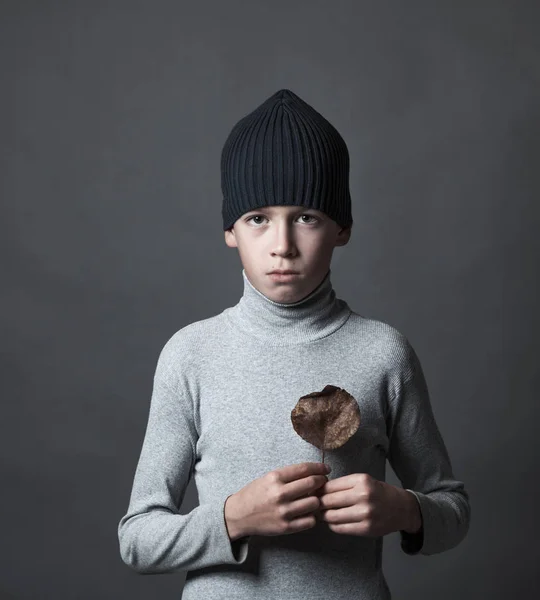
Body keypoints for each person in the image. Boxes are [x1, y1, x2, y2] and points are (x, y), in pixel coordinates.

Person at [117, 88, 470, 599]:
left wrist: (405, 510)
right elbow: (137, 539)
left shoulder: (384, 353)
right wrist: (232, 519)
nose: (282, 245)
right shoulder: (191, 355)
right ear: (230, 230)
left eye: (306, 217)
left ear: (342, 228)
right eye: (258, 218)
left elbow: (453, 510)